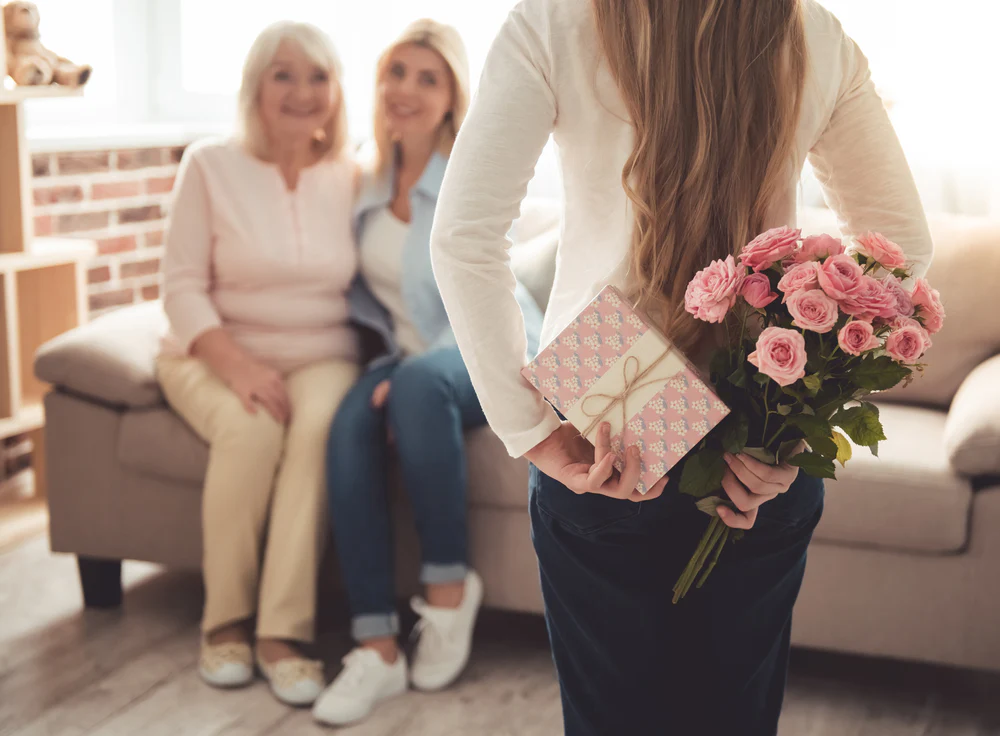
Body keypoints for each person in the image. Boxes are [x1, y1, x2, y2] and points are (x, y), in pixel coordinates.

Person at [430, 1, 933, 733]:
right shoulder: (811, 32)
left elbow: (464, 237)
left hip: (606, 406)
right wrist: (791, 425)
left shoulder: (555, 19)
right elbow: (902, 251)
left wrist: (532, 431)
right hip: (760, 423)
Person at [311, 19, 544, 728]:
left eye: (428, 78)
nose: (406, 89)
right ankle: (376, 646)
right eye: (396, 72)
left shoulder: (470, 178)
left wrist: (415, 368)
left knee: (410, 386)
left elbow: (480, 287)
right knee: (347, 420)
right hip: (409, 364)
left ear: (451, 100)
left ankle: (448, 593)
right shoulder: (363, 185)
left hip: (493, 349)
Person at [157, 21, 361, 707]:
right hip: (211, 350)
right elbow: (180, 286)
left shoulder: (353, 175)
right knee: (251, 429)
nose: (302, 92)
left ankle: (282, 636)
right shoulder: (209, 164)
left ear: (336, 92)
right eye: (283, 74)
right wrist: (238, 366)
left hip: (321, 354)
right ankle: (225, 625)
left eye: (318, 76)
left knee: (312, 432)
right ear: (255, 86)